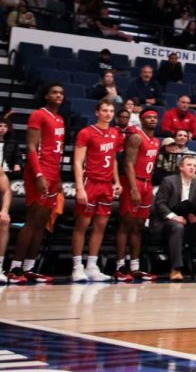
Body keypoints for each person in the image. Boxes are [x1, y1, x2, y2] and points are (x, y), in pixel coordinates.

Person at [7, 83, 66, 284]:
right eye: (54, 92)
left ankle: (29, 267)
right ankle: (14, 268)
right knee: (32, 219)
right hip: (37, 172)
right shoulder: (38, 115)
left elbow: (57, 152)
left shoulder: (60, 119)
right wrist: (39, 174)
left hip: (52, 172)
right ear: (46, 95)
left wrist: (57, 177)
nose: (58, 95)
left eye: (61, 93)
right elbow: (31, 147)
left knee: (42, 221)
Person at [70, 99, 123, 283]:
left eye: (111, 110)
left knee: (100, 225)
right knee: (82, 225)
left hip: (106, 184)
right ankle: (77, 266)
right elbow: (77, 162)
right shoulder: (86, 133)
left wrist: (117, 180)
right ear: (97, 112)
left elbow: (113, 158)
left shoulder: (115, 133)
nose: (108, 113)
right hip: (90, 182)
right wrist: (79, 188)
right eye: (105, 110)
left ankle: (92, 266)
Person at [155, 155, 196, 282]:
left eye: (194, 166)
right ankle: (176, 269)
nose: (192, 168)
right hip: (168, 221)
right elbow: (160, 203)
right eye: (189, 165)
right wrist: (174, 216)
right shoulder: (169, 181)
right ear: (181, 167)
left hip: (187, 221)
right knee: (178, 227)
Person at [113, 102, 159, 283]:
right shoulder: (135, 137)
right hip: (134, 182)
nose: (152, 119)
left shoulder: (156, 141)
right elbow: (128, 164)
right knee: (126, 224)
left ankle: (135, 266)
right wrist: (132, 187)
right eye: (149, 117)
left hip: (147, 183)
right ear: (141, 119)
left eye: (155, 117)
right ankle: (119, 266)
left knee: (139, 226)